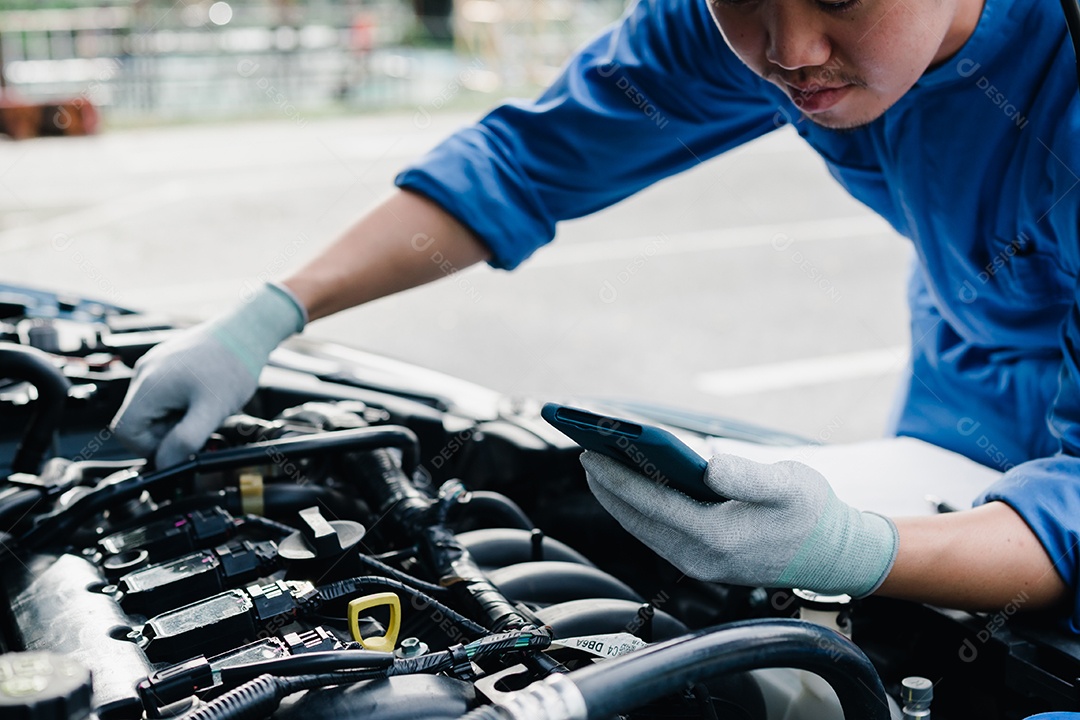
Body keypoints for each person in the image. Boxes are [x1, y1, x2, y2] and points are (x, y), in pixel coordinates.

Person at [111, 0, 1080, 628]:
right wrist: (267, 316)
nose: (789, 51)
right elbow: (524, 162)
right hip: (956, 418)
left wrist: (852, 549)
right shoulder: (755, 33)